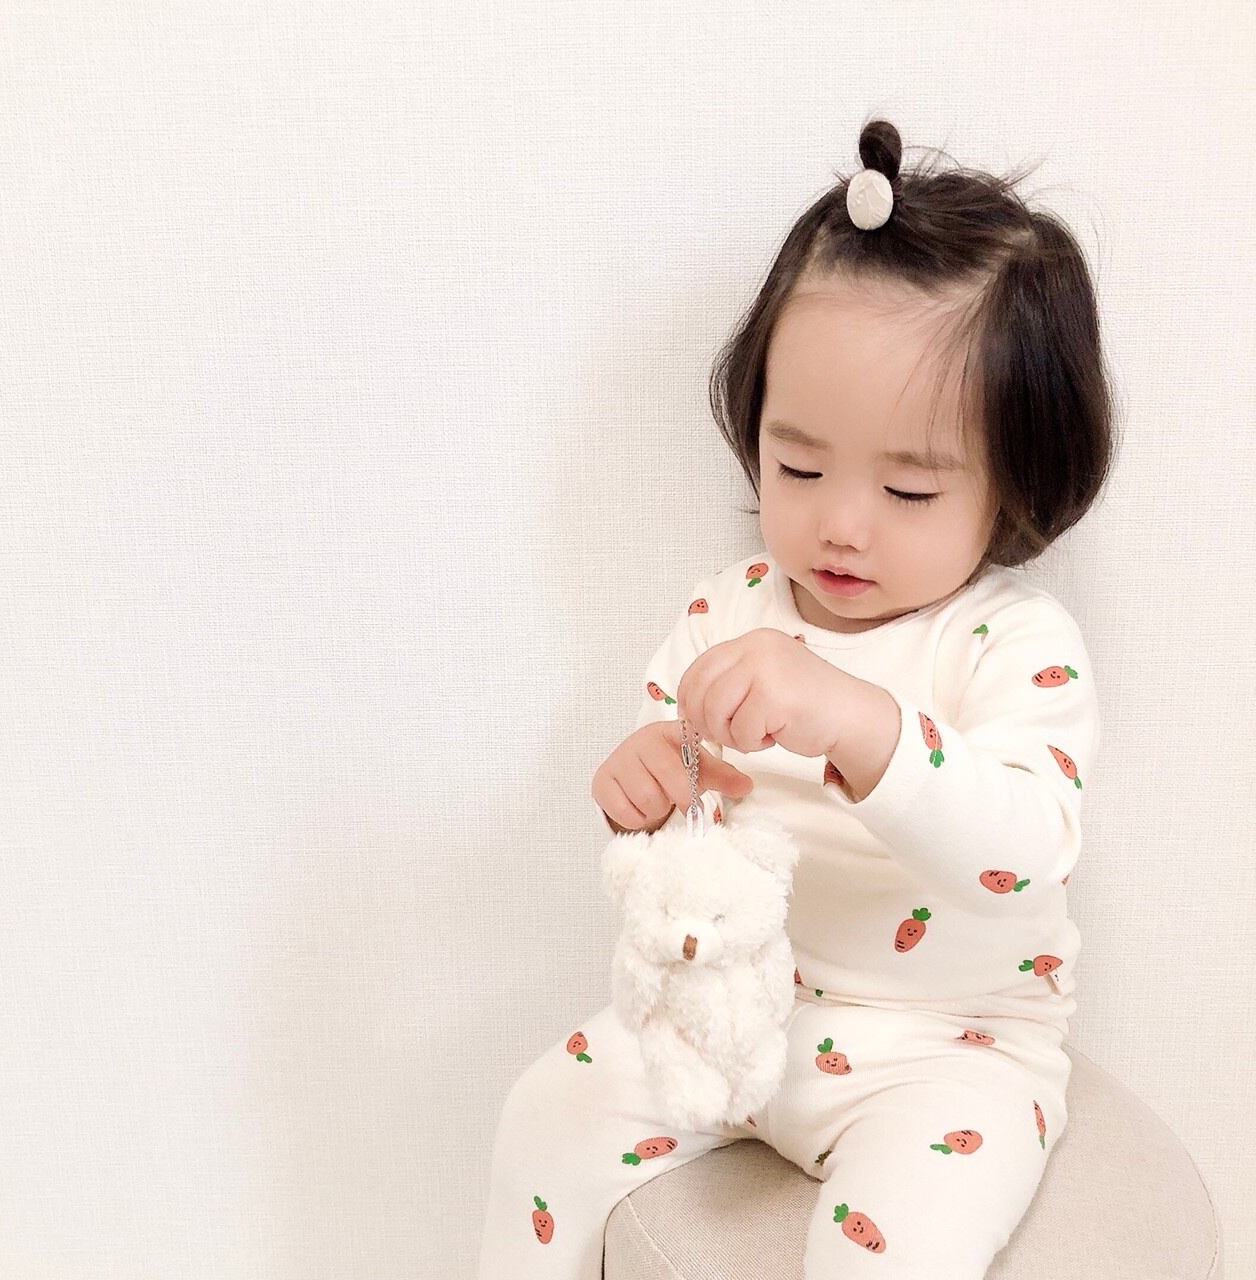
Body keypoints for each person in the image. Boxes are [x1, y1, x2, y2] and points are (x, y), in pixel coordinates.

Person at [476, 116, 1118, 1279]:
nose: (840, 523)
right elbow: (684, 806)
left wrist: (857, 720)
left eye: (908, 489)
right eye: (800, 465)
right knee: (542, 1110)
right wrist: (643, 791)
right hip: (734, 1011)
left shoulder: (1012, 644)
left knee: (887, 1251)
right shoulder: (727, 610)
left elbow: (1023, 854)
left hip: (947, 1055)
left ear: (1014, 482)